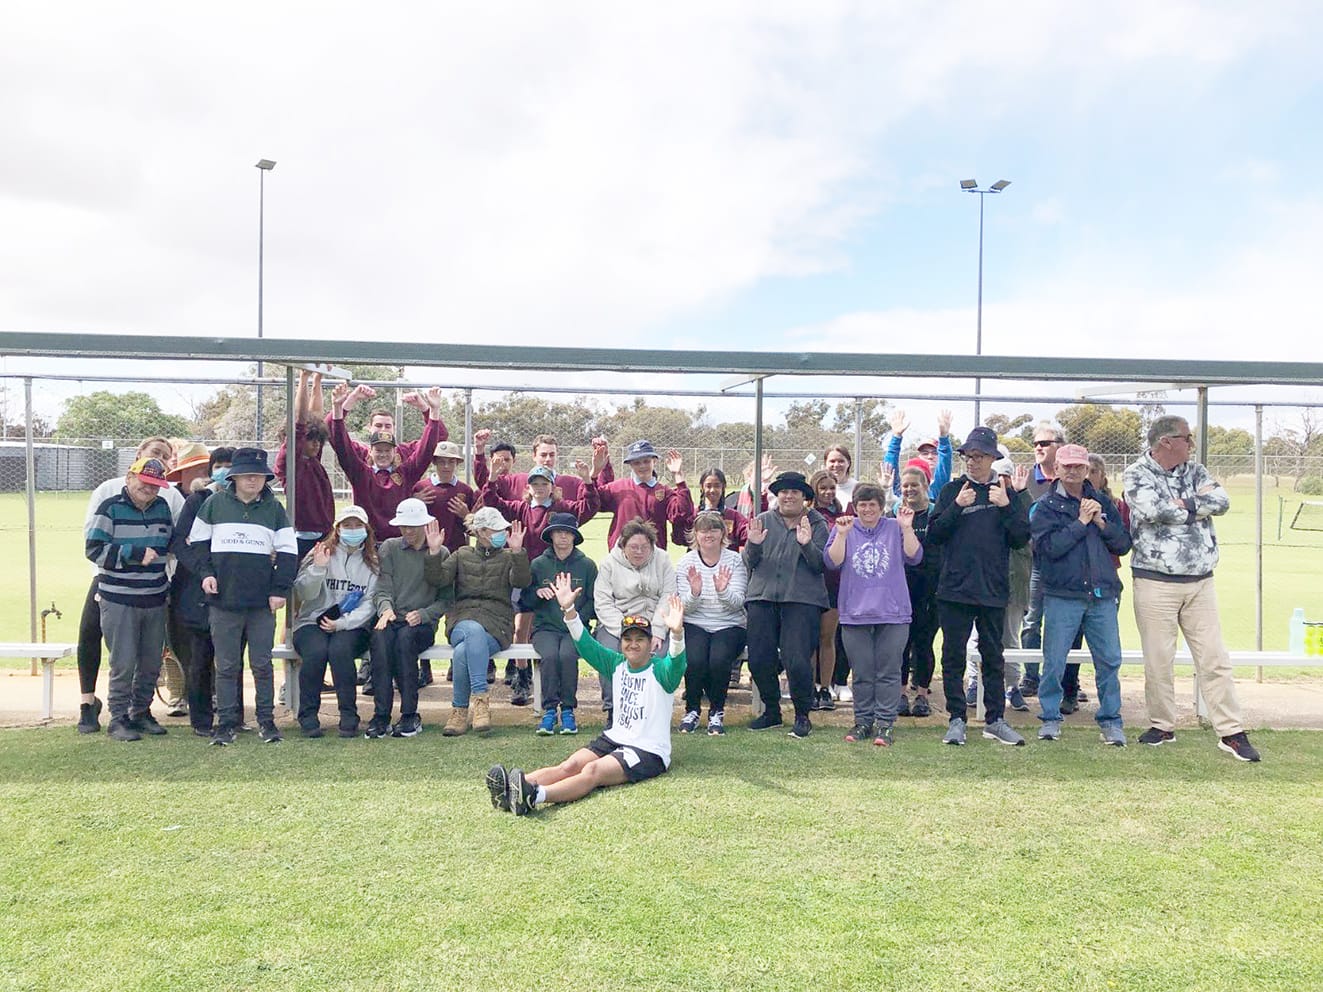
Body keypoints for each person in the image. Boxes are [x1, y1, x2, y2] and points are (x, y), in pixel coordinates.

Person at [487, 577, 686, 816]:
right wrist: (568, 609)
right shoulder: (617, 664)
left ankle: (534, 795)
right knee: (569, 765)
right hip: (616, 736)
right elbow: (584, 643)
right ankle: (511, 788)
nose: (633, 645)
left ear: (650, 643)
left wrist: (676, 633)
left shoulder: (661, 671)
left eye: (640, 639)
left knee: (593, 771)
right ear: (621, 642)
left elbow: (677, 662)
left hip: (647, 750)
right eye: (628, 639)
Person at [1123, 416, 1261, 761]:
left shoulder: (1196, 470)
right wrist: (1193, 506)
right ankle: (1162, 725)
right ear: (1166, 441)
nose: (1191, 443)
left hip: (1200, 582)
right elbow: (1152, 510)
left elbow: (1222, 502)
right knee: (1159, 660)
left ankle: (1230, 731)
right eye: (1187, 438)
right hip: (1155, 581)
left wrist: (1183, 504)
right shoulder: (1136, 473)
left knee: (1214, 658)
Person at [187, 447, 298, 746]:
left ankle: (266, 721)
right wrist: (206, 574)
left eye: (259, 475)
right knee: (226, 666)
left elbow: (288, 552)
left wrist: (279, 590)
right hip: (223, 600)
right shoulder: (213, 504)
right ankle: (225, 723)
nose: (253, 480)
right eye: (247, 475)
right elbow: (196, 544)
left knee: (261, 664)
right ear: (234, 477)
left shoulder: (274, 509)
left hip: (261, 602)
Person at [927, 426, 1030, 747]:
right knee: (953, 656)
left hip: (992, 589)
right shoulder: (951, 491)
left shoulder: (1004, 494)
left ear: (992, 458)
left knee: (993, 656)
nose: (973, 462)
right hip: (955, 589)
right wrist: (957, 505)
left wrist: (1006, 506)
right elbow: (934, 535)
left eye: (980, 456)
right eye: (968, 456)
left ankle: (995, 720)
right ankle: (956, 719)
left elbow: (1020, 537)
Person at [76, 436, 182, 734]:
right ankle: (118, 717)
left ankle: (141, 711)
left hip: (154, 595)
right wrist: (133, 554)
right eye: (143, 482)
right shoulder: (110, 507)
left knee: (150, 661)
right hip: (118, 596)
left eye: (153, 485)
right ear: (130, 476)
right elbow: (94, 549)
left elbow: (170, 545)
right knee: (122, 661)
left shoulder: (163, 507)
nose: (147, 489)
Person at [1030, 444, 1133, 746]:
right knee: (1054, 661)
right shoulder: (1046, 506)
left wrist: (1101, 522)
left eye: (1079, 466)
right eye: (1068, 466)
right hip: (1063, 594)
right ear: (1057, 469)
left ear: (1088, 469)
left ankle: (1111, 720)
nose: (1073, 471)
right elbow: (1047, 549)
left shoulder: (1103, 502)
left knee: (1110, 660)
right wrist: (1080, 524)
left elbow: (1123, 544)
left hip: (1102, 594)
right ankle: (1050, 718)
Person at [825, 483, 921, 747]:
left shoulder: (894, 527)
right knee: (863, 671)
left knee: (889, 671)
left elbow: (914, 556)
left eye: (872, 505)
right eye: (862, 505)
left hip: (893, 612)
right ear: (855, 507)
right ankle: (863, 722)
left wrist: (907, 527)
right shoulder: (843, 527)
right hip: (855, 612)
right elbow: (832, 561)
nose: (867, 510)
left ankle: (885, 724)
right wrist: (842, 536)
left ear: (881, 507)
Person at [427, 506, 532, 737]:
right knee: (471, 632)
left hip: (497, 625)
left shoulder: (507, 557)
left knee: (462, 651)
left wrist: (517, 552)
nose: (502, 534)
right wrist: (434, 553)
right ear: (482, 531)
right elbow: (438, 579)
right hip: (462, 620)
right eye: (497, 529)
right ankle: (481, 700)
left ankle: (459, 711)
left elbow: (522, 581)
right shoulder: (461, 554)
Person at [742, 471, 830, 739]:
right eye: (783, 491)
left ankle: (803, 714)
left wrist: (806, 544)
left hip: (801, 599)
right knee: (758, 659)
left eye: (795, 491)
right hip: (762, 597)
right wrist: (753, 545)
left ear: (804, 497)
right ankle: (772, 712)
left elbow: (819, 565)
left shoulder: (817, 523)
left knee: (796, 660)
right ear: (776, 495)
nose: (788, 495)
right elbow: (749, 562)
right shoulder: (763, 521)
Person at [290, 506, 380, 739]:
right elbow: (304, 593)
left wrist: (342, 624)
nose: (352, 530)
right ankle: (308, 716)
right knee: (317, 651)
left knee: (340, 650)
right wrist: (318, 568)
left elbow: (370, 604)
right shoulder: (320, 552)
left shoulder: (372, 561)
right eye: (347, 525)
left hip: (351, 627)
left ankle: (349, 715)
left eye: (357, 525)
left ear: (366, 529)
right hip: (312, 621)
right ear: (337, 529)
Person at [367, 499, 449, 739]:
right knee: (380, 641)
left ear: (425, 525)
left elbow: (446, 599)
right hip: (392, 618)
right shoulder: (390, 548)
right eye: (404, 526)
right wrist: (385, 609)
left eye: (413, 526)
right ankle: (381, 715)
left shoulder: (441, 552)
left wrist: (424, 615)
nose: (408, 531)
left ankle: (409, 714)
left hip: (420, 624)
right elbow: (382, 588)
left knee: (405, 641)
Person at [327, 383, 447, 541]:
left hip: (399, 540)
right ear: (370, 449)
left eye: (387, 450)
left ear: (395, 450)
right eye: (378, 450)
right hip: (368, 540)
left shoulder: (406, 467)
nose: (383, 454)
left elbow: (429, 446)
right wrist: (343, 403)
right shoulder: (360, 468)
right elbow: (339, 441)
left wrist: (431, 409)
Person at [169, 446, 233, 737]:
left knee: (232, 657)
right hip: (197, 593)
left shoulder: (252, 503)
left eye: (231, 465)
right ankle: (201, 720)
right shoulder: (198, 500)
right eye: (219, 465)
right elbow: (181, 543)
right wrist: (204, 571)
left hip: (235, 592)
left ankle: (232, 716)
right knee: (201, 657)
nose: (225, 470)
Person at [593, 518, 676, 729]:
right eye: (633, 547)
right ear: (623, 546)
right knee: (609, 654)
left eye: (644, 547)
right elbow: (603, 603)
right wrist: (624, 632)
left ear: (652, 546)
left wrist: (657, 631)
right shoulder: (609, 564)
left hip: (654, 624)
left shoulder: (663, 560)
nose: (639, 551)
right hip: (617, 625)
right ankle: (613, 711)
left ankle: (652, 713)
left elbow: (668, 597)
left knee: (662, 656)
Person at [522, 513, 598, 736]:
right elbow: (525, 600)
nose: (563, 537)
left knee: (566, 655)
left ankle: (567, 710)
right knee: (550, 656)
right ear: (551, 535)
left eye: (568, 533)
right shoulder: (538, 564)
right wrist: (537, 593)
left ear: (575, 537)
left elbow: (595, 602)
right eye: (559, 532)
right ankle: (548, 711)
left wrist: (575, 615)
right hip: (545, 628)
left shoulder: (586, 565)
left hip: (576, 627)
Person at [675, 510, 748, 737]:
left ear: (723, 533)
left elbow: (738, 604)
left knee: (718, 660)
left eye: (714, 529)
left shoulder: (735, 560)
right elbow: (683, 608)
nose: (709, 534)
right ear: (695, 535)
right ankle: (693, 710)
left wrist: (722, 590)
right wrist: (695, 593)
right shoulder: (687, 562)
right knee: (695, 660)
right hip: (696, 622)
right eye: (704, 530)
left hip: (729, 624)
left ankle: (717, 711)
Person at [965, 456, 1028, 713]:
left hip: (1013, 582)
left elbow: (1024, 535)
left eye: (1006, 477)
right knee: (976, 635)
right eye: (998, 477)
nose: (1001, 482)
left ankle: (1013, 686)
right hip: (982, 581)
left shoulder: (1018, 501)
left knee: (1011, 635)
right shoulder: (979, 498)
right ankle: (973, 681)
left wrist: (1019, 497)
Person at [1015, 421, 1065, 696]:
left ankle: (1060, 681)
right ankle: (1030, 677)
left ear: (1060, 446)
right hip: (1034, 563)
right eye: (1035, 444)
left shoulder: (1069, 478)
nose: (1038, 448)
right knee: (1031, 621)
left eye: (1044, 443)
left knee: (1061, 623)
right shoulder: (1027, 479)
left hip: (1064, 563)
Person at [590, 439, 693, 551]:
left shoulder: (665, 491)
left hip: (653, 555)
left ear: (655, 461)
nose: (642, 466)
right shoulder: (619, 487)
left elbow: (682, 513)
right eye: (637, 463)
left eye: (646, 461)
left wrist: (678, 475)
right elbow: (593, 502)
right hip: (621, 554)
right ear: (630, 465)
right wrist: (595, 471)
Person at [276, 370, 336, 562]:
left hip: (324, 534)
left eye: (318, 440)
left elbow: (315, 416)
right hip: (301, 537)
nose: (316, 444)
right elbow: (300, 421)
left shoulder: (312, 459)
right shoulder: (291, 461)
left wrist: (318, 380)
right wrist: (303, 379)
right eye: (311, 440)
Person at [896, 465, 941, 718]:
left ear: (925, 485)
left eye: (915, 484)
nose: (910, 489)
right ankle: (900, 693)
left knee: (924, 643)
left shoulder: (936, 514)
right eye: (905, 486)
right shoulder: (895, 514)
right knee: (902, 643)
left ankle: (922, 694)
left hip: (930, 589)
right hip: (902, 587)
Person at [472, 430, 598, 503]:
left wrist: (596, 471)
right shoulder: (514, 481)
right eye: (543, 455)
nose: (548, 459)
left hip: (559, 547)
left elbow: (594, 499)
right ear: (534, 456)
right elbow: (485, 483)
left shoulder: (572, 483)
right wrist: (479, 452)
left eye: (552, 455)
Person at [807, 469, 844, 712]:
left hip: (834, 584)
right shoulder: (807, 515)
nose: (828, 492)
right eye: (823, 488)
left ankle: (825, 688)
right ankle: (808, 688)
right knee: (810, 640)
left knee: (827, 638)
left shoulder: (842, 515)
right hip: (810, 583)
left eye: (832, 487)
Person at [412, 440, 476, 554]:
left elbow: (473, 531)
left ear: (457, 463)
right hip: (425, 550)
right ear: (434, 462)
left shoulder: (466, 491)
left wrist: (466, 515)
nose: (446, 466)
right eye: (442, 462)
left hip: (455, 551)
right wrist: (415, 503)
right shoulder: (421, 487)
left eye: (451, 462)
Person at [884, 408, 954, 501]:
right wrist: (896, 437)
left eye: (935, 453)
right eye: (925, 453)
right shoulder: (902, 492)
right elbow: (890, 470)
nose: (930, 456)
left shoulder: (935, 491)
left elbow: (945, 459)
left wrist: (944, 437)